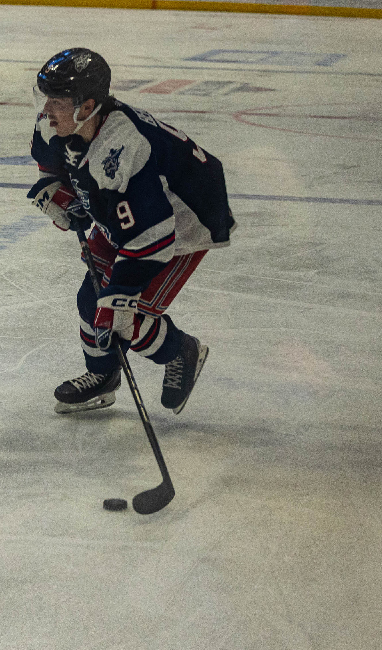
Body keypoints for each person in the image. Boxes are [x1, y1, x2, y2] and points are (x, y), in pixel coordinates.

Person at [27, 48, 234, 415]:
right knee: (92, 300)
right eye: (47, 98)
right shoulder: (60, 124)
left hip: (182, 221)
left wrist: (121, 295)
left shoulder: (124, 147)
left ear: (87, 107)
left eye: (57, 101)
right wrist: (57, 190)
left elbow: (152, 235)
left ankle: (181, 350)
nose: (46, 110)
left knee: (126, 317)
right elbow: (53, 165)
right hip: (127, 208)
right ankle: (102, 377)